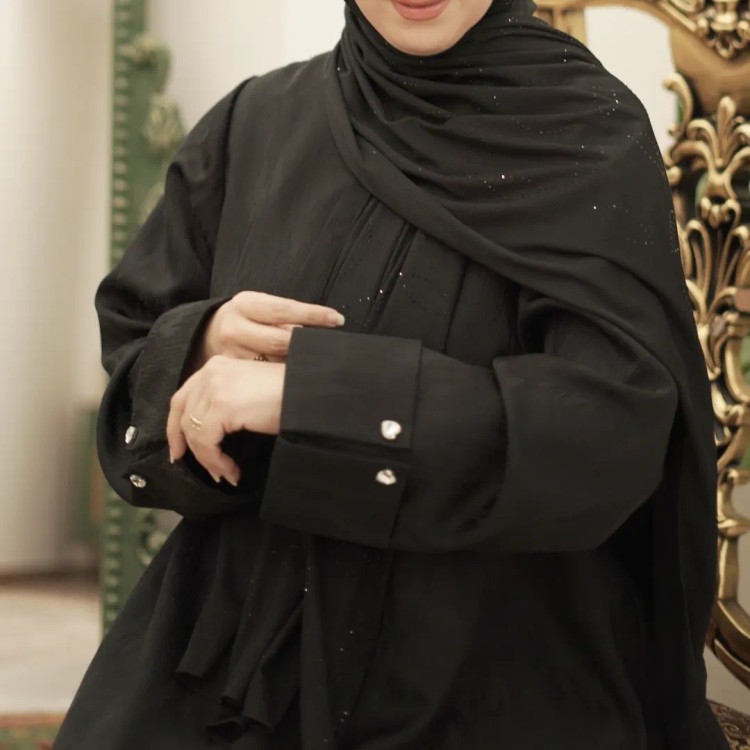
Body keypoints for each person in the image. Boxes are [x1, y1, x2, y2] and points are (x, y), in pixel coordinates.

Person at [52, 0, 730, 748]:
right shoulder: (253, 124)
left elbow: (608, 431)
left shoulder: (588, 135)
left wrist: (317, 399)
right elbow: (133, 373)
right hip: (228, 664)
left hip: (488, 678)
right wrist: (201, 344)